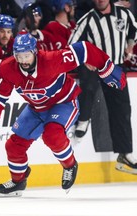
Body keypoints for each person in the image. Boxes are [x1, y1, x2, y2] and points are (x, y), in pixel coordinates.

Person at [0, 33, 126, 196]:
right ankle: (18, 182)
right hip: (36, 108)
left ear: (34, 52)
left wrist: (107, 69)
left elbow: (84, 49)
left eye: (26, 55)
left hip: (64, 103)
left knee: (52, 134)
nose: (23, 60)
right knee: (13, 146)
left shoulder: (52, 59)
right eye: (19, 56)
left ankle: (69, 165)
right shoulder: (8, 68)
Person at [68, 0, 137, 174]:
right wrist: (84, 59)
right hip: (96, 66)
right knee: (88, 85)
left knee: (122, 111)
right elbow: (72, 43)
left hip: (116, 67)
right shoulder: (88, 19)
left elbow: (134, 29)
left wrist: (130, 44)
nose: (99, 0)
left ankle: (125, 154)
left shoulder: (124, 14)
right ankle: (84, 118)